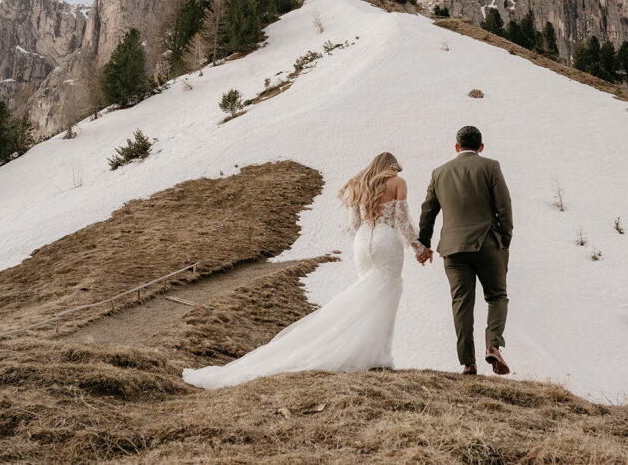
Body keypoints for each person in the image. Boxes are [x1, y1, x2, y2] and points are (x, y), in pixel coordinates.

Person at [182, 152, 423, 389]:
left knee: (365, 294)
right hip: (386, 242)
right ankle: (377, 354)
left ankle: (366, 351)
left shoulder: (358, 183)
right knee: (385, 294)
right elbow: (402, 221)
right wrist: (419, 247)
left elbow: (354, 224)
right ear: (391, 167)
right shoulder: (398, 183)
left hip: (362, 243)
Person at [417, 125, 513, 375]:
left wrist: (424, 243)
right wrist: (505, 239)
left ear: (457, 147)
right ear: (481, 147)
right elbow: (504, 206)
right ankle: (493, 344)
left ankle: (468, 363)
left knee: (461, 304)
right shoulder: (490, 166)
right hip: (487, 243)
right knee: (497, 296)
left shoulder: (439, 172)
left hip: (452, 248)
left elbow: (428, 211)